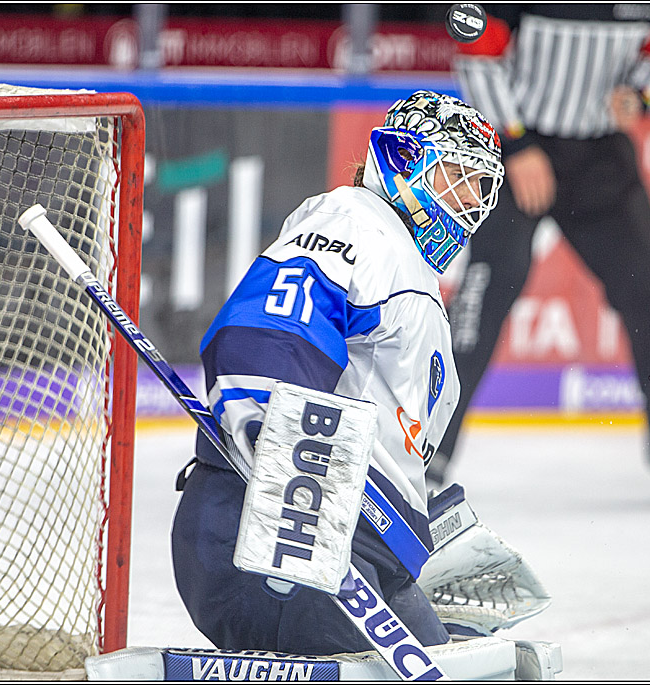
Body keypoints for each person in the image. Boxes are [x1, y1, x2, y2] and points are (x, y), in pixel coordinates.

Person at [170, 90, 505, 655]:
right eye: (458, 175)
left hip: (355, 552)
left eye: (481, 185)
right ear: (405, 160)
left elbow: (388, 447)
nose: (472, 200)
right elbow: (274, 321)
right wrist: (267, 420)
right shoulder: (357, 222)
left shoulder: (412, 278)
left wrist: (424, 540)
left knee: (474, 660)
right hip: (286, 528)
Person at [429, 3, 650, 490]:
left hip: (601, 160)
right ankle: (433, 446)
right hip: (518, 148)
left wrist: (641, 96)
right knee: (483, 298)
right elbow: (477, 57)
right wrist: (513, 143)